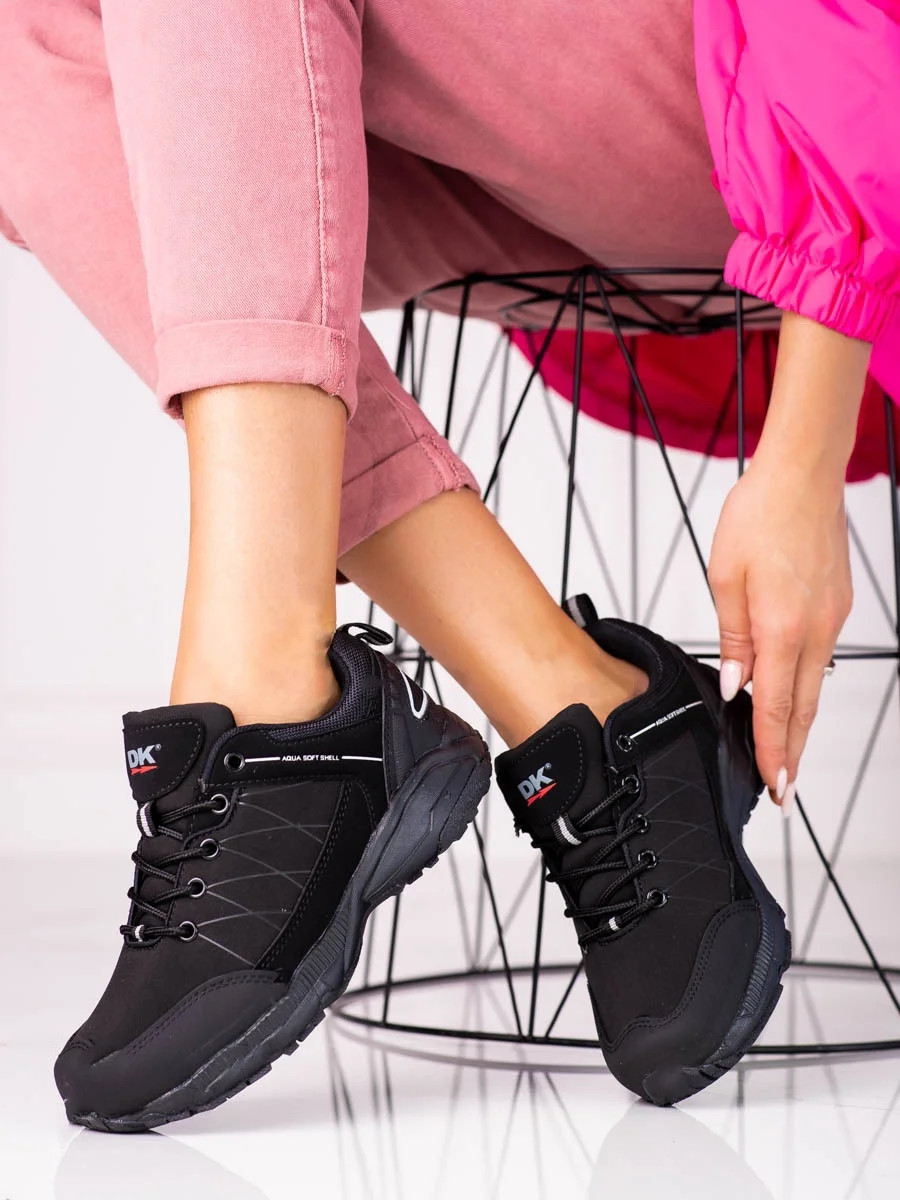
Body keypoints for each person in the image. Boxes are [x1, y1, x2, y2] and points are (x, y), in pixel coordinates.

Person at [0, 0, 892, 1130]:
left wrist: (804, 450)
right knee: (28, 47)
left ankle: (285, 721)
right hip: (527, 142)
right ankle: (572, 705)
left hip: (763, 117)